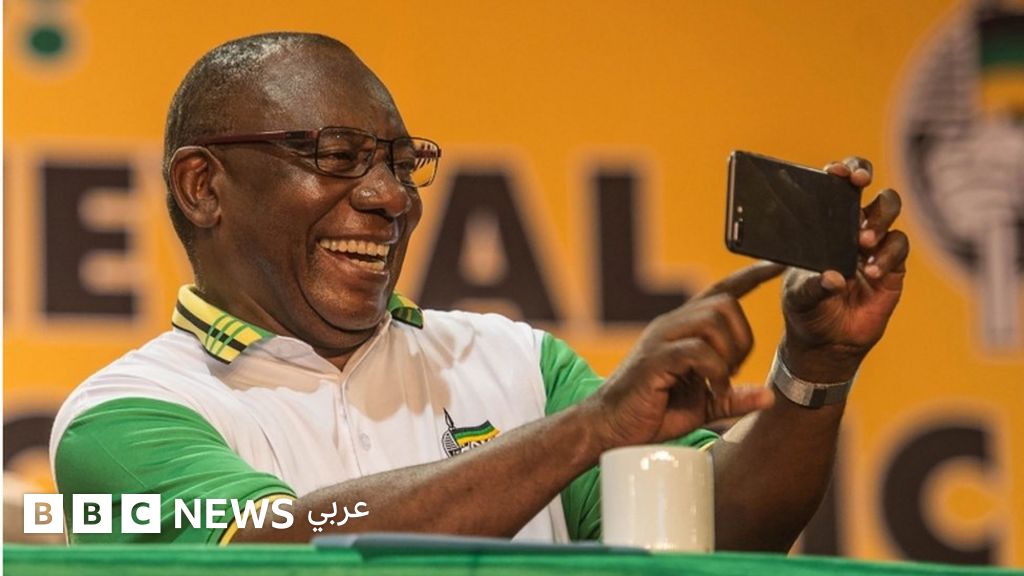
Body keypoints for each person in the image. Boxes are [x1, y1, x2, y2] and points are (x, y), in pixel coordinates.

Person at [49, 32, 909, 548]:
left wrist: (815, 369)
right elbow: (285, 550)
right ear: (203, 187)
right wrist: (589, 429)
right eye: (338, 156)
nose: (390, 197)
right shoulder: (127, 415)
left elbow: (714, 531)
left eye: (401, 162)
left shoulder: (517, 361)